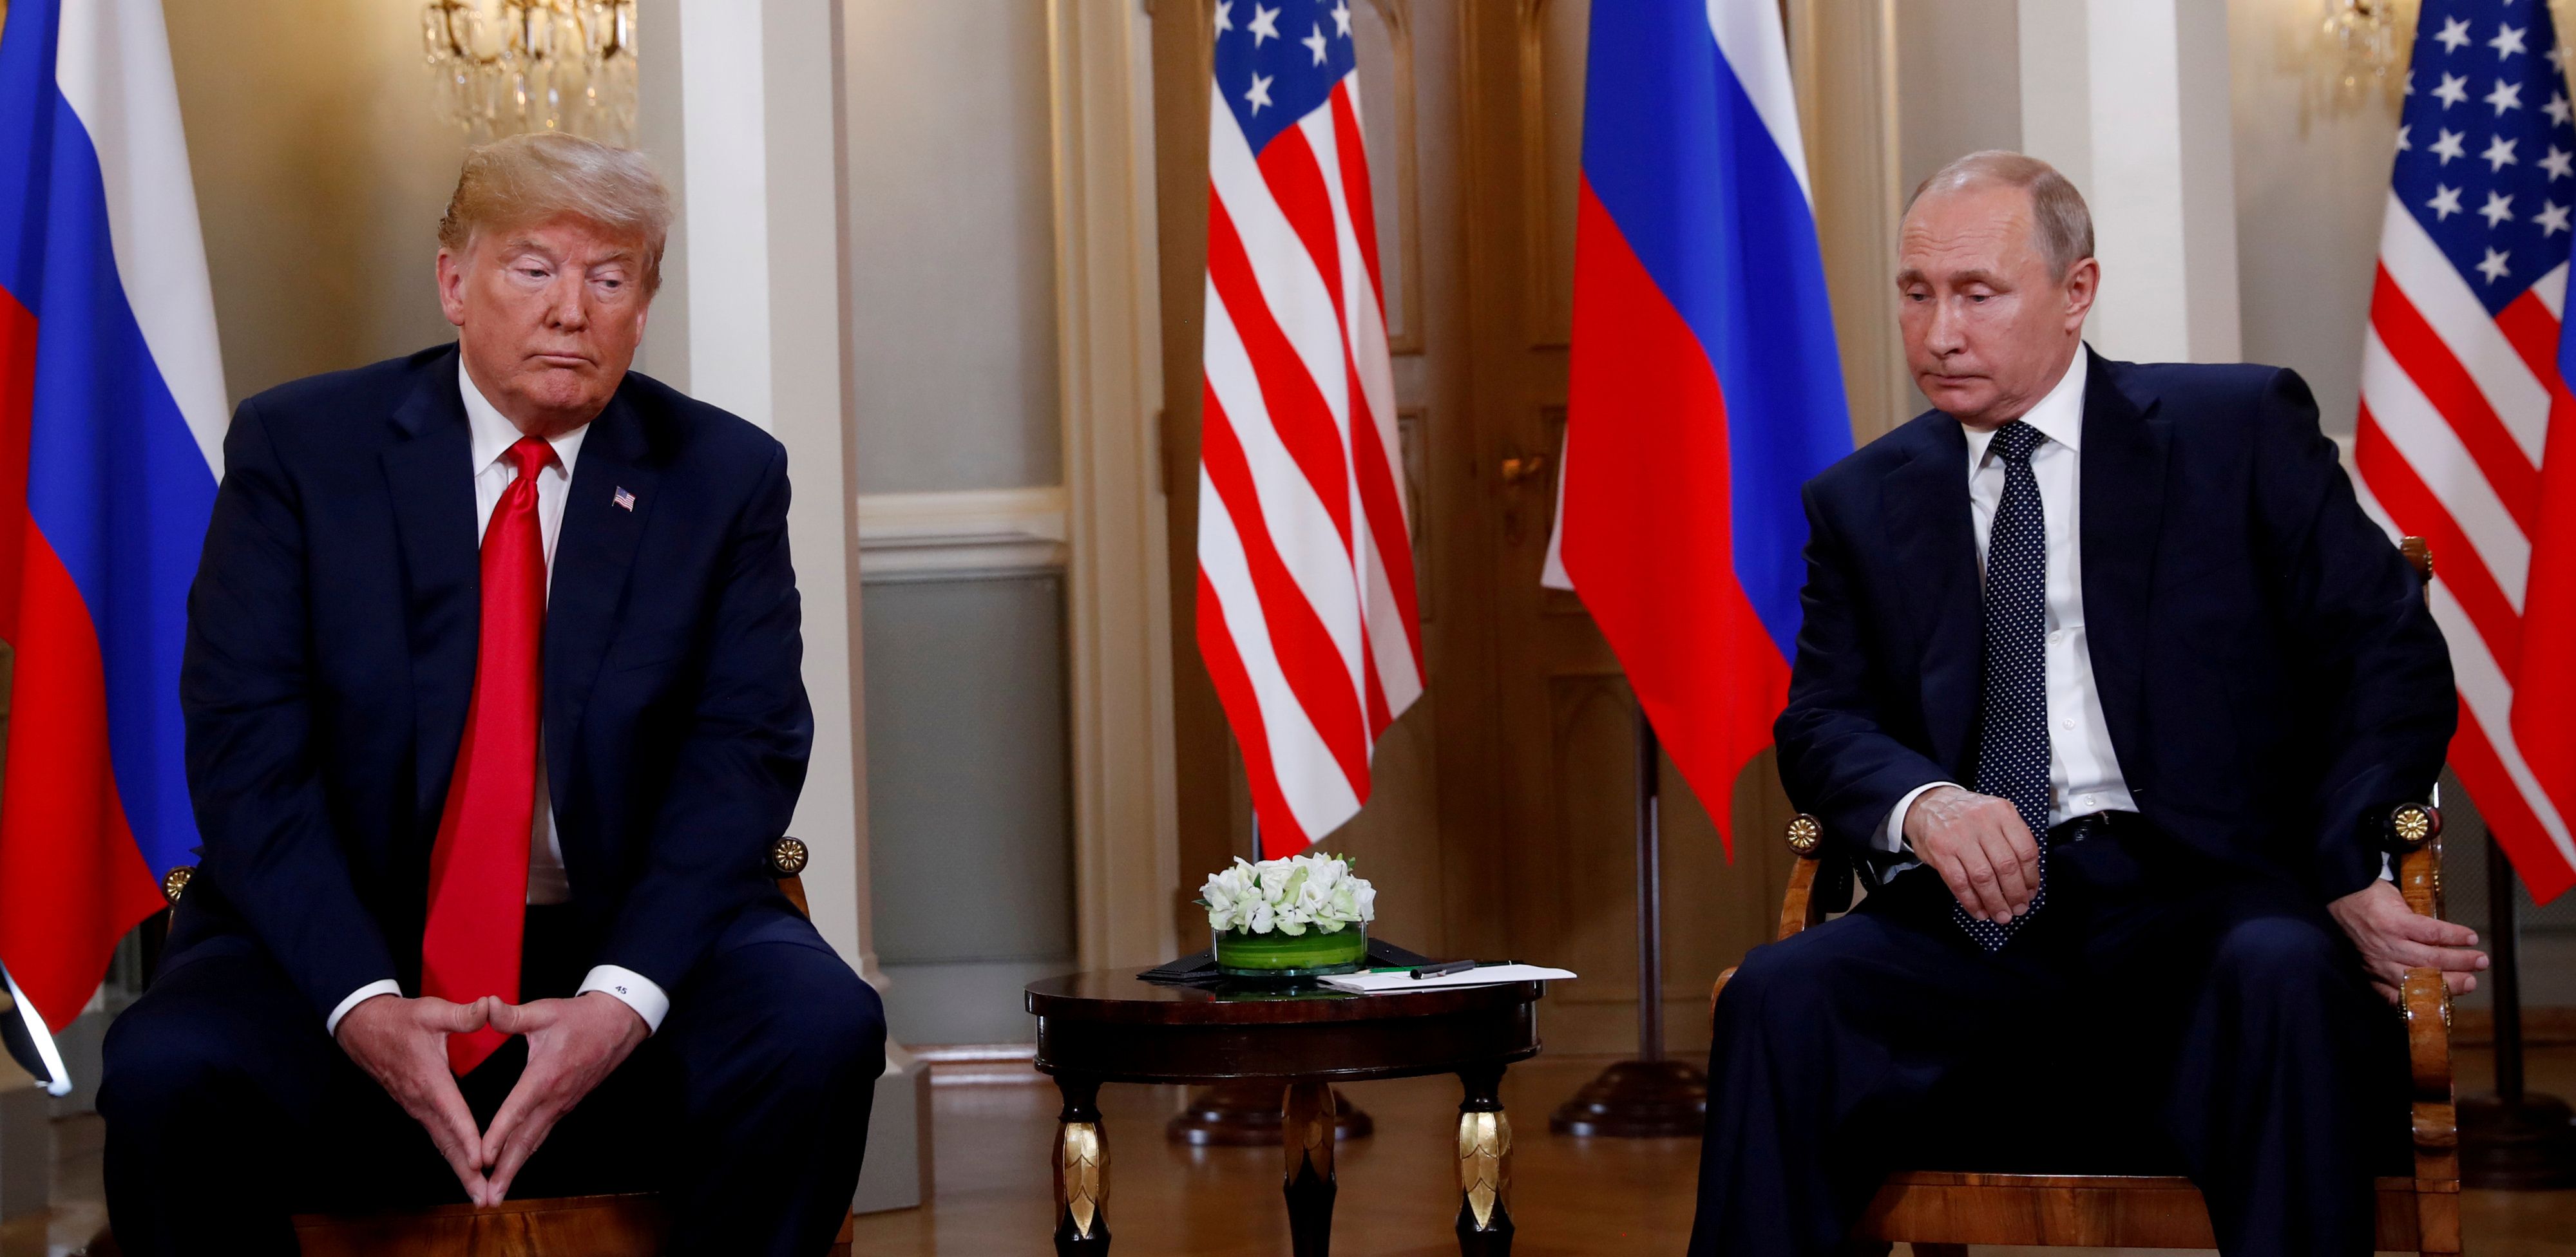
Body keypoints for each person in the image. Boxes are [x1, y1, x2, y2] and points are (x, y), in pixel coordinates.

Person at [97, 133, 884, 1256]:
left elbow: (743, 758)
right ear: (454, 282)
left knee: (819, 1028)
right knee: (169, 1069)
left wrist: (620, 1000)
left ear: (643, 305)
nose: (573, 309)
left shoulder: (724, 476)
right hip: (349, 937)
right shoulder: (301, 450)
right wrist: (363, 1004)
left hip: (619, 930)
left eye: (610, 278)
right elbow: (247, 758)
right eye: (534, 268)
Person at [1689, 151, 2486, 1256]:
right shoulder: (1862, 499)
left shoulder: (2236, 429)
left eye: (1978, 293)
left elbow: (2387, 656)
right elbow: (1822, 719)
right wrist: (1926, 804)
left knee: (2281, 973)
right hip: (1975, 916)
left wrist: (2346, 863)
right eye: (1917, 294)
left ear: (2077, 293)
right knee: (1780, 995)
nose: (1939, 331)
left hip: (2204, 903)